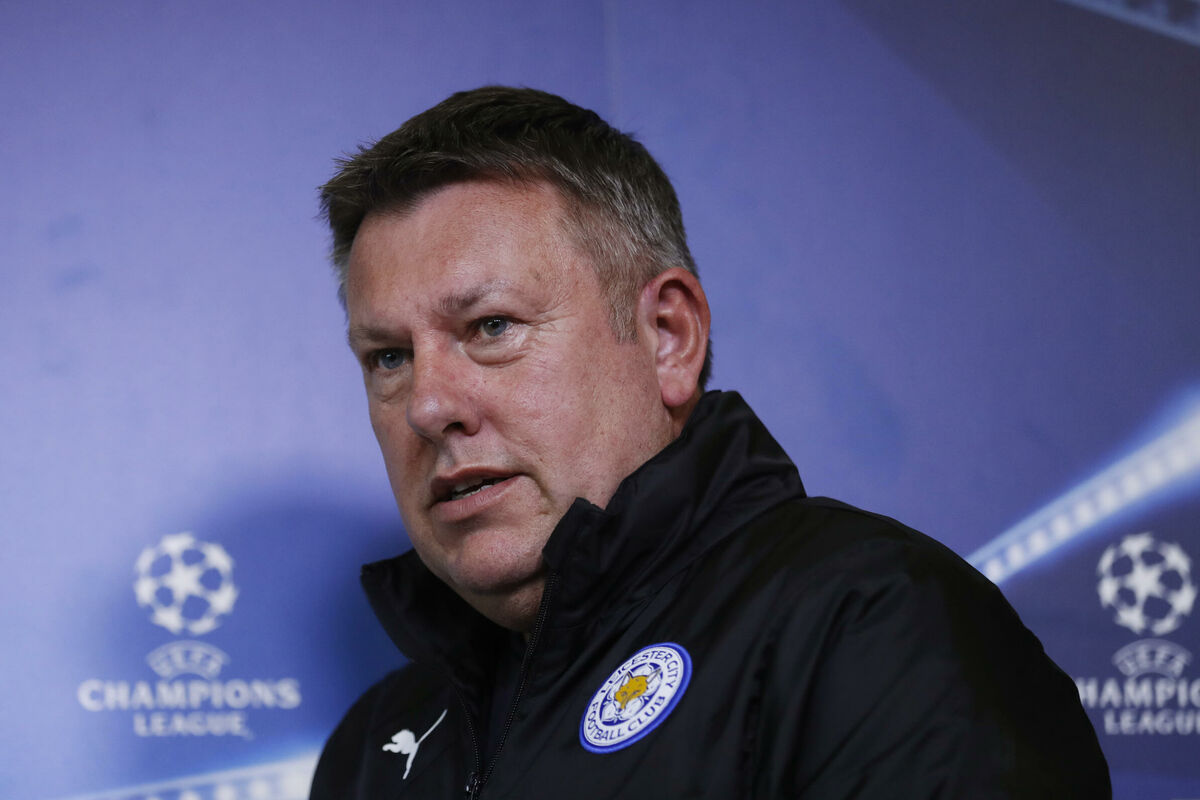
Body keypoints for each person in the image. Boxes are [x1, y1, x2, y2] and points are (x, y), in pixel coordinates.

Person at [310, 86, 1110, 798]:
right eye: (389, 357)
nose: (428, 406)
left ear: (668, 337)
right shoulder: (375, 747)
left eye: (491, 327)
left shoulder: (872, 631)